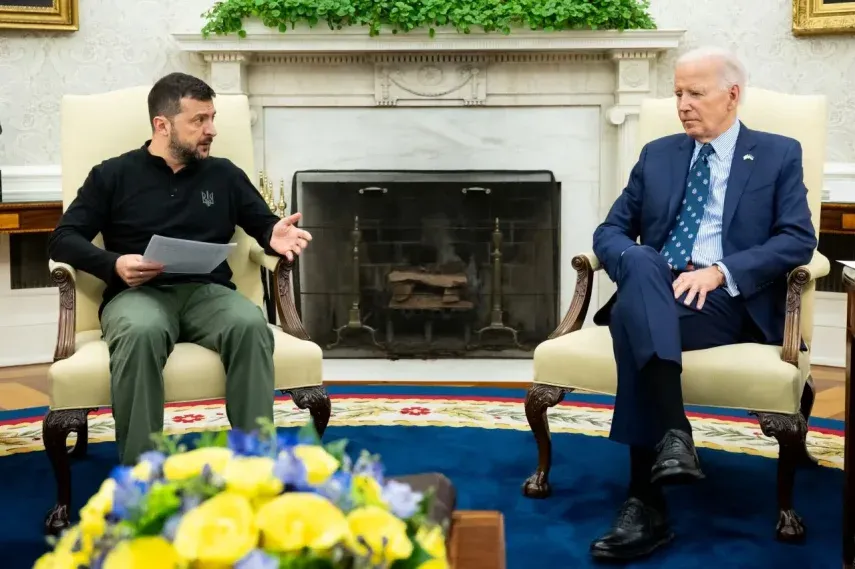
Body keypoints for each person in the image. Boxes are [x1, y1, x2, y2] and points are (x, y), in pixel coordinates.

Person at [588, 47, 816, 560]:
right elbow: (611, 230)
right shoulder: (658, 154)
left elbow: (797, 238)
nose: (683, 105)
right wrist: (636, 262)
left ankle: (644, 501)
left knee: (631, 320)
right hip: (655, 286)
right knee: (640, 265)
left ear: (732, 95)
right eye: (677, 94)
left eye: (695, 93)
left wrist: (721, 272)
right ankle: (675, 433)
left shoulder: (777, 153)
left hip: (724, 300)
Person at [48, 72, 312, 465]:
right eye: (199, 120)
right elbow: (63, 238)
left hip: (208, 294)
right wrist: (113, 263)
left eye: (212, 118)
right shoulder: (112, 175)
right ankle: (143, 472)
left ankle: (256, 463)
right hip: (137, 295)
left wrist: (273, 233)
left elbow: (262, 222)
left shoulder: (224, 174)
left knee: (250, 324)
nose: (212, 130)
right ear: (162, 125)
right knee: (140, 331)